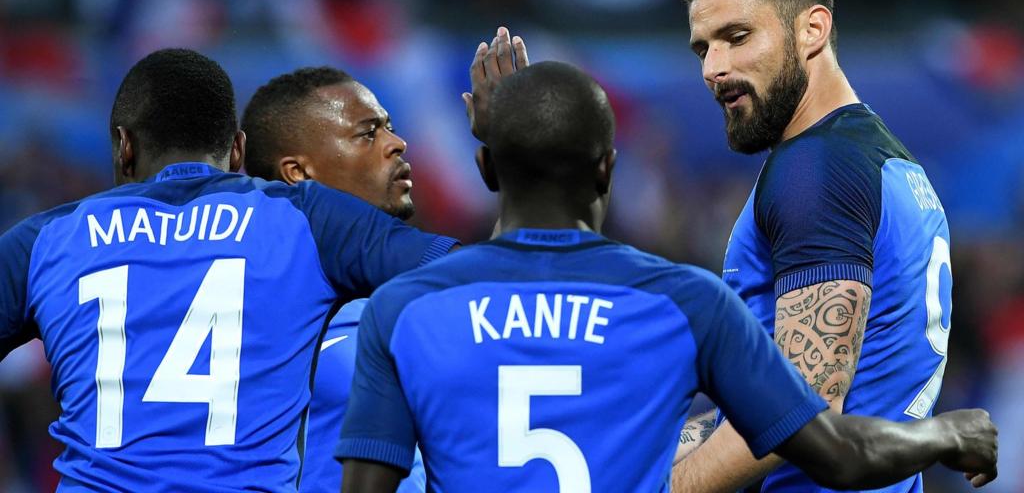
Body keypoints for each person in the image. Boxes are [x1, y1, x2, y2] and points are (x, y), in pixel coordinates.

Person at [334, 61, 997, 492]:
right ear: (608, 170)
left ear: (483, 171)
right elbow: (839, 454)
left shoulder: (406, 310)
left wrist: (506, 138)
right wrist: (944, 432)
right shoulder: (686, 303)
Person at [0, 49, 457, 492]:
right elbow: (472, 274)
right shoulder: (303, 219)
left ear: (124, 147)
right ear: (237, 150)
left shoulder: (46, 239)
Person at [670, 0, 965, 493]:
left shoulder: (815, 172)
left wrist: (662, 486)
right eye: (703, 48)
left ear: (812, 28)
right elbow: (773, 404)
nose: (713, 68)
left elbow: (804, 406)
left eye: (736, 37)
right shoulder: (880, 158)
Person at [241, 66, 427, 493]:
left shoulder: (408, 296)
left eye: (391, 128)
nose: (397, 144)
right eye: (368, 134)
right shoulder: (263, 313)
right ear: (298, 173)